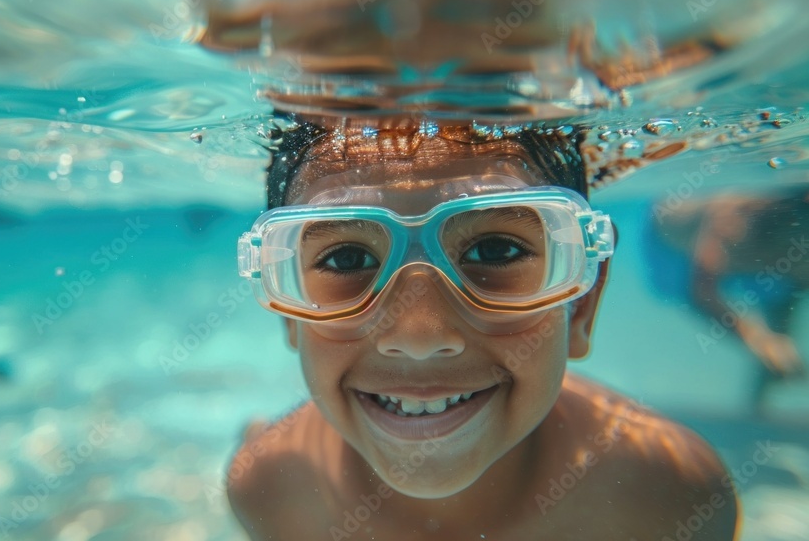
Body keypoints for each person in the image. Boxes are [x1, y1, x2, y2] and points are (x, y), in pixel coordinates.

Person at [226, 117, 738, 540]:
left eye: (495, 251)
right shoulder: (269, 487)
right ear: (290, 315)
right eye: (346, 259)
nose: (420, 336)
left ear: (582, 303)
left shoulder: (668, 498)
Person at [648, 187, 808, 414]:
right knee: (668, 290)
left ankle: (757, 410)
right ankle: (757, 406)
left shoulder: (797, 240)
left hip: (749, 260)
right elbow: (701, 293)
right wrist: (761, 341)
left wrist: (776, 346)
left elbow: (790, 296)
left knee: (777, 300)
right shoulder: (734, 217)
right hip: (664, 240)